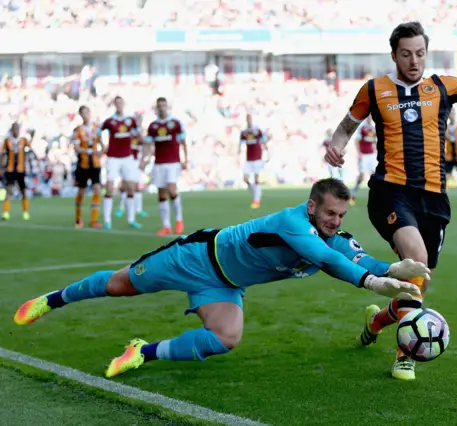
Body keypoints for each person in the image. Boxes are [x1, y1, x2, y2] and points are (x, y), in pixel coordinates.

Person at [13, 178, 427, 378]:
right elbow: (325, 258)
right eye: (330, 213)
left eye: (341, 215)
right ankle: (52, 300)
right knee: (118, 286)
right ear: (312, 207)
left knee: (225, 339)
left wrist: (391, 269)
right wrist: (372, 284)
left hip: (225, 284)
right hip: (194, 258)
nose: (336, 222)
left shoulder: (335, 236)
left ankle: (144, 350)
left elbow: (357, 258)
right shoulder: (291, 223)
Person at [325, 21, 457, 380]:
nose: (414, 61)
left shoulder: (441, 86)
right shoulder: (374, 90)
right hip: (390, 190)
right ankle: (405, 354)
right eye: (406, 54)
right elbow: (347, 126)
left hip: (435, 198)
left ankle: (378, 320)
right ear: (394, 55)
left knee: (418, 284)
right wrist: (336, 146)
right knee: (417, 261)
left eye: (420, 53)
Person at [143, 97, 187, 236]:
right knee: (161, 193)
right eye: (159, 106)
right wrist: (145, 159)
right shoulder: (153, 126)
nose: (162, 108)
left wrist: (185, 159)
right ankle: (166, 226)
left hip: (173, 162)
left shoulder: (175, 123)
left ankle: (179, 220)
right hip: (159, 163)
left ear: (167, 107)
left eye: (164, 105)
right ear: (156, 108)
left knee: (172, 190)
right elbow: (149, 145)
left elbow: (183, 141)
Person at [99, 96, 142, 230]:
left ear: (123, 104)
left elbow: (138, 135)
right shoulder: (109, 121)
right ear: (114, 105)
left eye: (120, 103)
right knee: (110, 187)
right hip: (113, 157)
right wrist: (103, 146)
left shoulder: (130, 120)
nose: (119, 105)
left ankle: (131, 220)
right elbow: (97, 132)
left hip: (127, 157)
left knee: (130, 187)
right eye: (116, 103)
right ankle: (107, 221)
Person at [71, 106, 103, 229]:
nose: (85, 115)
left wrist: (103, 151)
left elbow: (101, 144)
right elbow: (76, 148)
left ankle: (94, 220)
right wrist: (90, 152)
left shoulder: (97, 128)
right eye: (82, 113)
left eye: (87, 112)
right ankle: (78, 219)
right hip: (83, 165)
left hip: (95, 164)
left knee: (97, 190)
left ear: (90, 113)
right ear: (80, 115)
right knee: (81, 191)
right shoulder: (78, 130)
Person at [1, 122, 32, 221]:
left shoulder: (23, 140)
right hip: (10, 169)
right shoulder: (7, 141)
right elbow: (3, 154)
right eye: (14, 128)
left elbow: (29, 150)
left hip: (21, 169)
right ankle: (6, 213)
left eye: (17, 128)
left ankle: (25, 212)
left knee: (23, 191)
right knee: (9, 190)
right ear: (11, 129)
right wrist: (2, 166)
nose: (15, 130)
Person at [238, 114, 268, 209]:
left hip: (257, 159)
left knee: (256, 179)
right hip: (248, 159)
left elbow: (264, 141)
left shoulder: (257, 131)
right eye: (247, 119)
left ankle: (256, 201)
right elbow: (240, 143)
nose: (249, 120)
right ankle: (256, 192)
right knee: (245, 179)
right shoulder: (244, 132)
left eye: (250, 118)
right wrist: (238, 151)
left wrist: (267, 151)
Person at [350, 116, 377, 206]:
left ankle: (375, 197)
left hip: (372, 155)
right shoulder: (362, 128)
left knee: (374, 175)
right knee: (361, 176)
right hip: (364, 155)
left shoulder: (373, 128)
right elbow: (356, 141)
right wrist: (359, 153)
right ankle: (353, 195)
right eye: (369, 116)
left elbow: (375, 141)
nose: (370, 118)